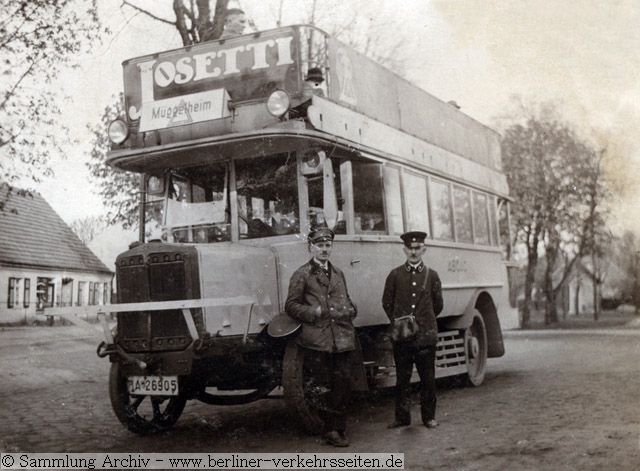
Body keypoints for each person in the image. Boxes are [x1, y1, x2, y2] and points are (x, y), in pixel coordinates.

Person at [285, 226, 358, 447]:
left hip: (342, 336)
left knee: (343, 384)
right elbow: (290, 305)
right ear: (311, 247)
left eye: (328, 245)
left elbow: (345, 297)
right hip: (318, 339)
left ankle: (338, 427)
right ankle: (330, 430)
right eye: (320, 245)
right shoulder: (302, 274)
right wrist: (313, 312)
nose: (324, 249)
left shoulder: (338, 273)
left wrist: (352, 308)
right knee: (323, 385)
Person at [382, 231, 443, 429]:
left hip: (425, 336)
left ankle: (429, 417)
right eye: (410, 248)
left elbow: (438, 305)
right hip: (403, 337)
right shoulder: (395, 275)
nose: (414, 252)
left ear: (423, 250)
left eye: (417, 248)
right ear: (404, 250)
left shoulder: (431, 275)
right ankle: (402, 418)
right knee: (402, 378)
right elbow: (387, 303)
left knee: (428, 378)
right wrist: (401, 323)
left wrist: (422, 322)